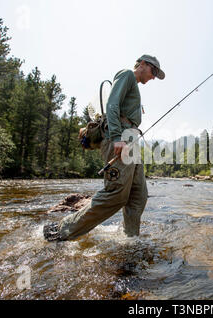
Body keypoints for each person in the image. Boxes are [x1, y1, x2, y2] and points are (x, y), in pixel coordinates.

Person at [43, 55, 165, 241]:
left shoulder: (134, 85)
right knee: (115, 194)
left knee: (138, 196)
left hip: (130, 140)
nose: (154, 76)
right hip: (121, 138)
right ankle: (60, 230)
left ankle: (130, 239)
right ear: (142, 64)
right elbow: (112, 104)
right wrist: (117, 137)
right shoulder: (127, 75)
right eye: (153, 71)